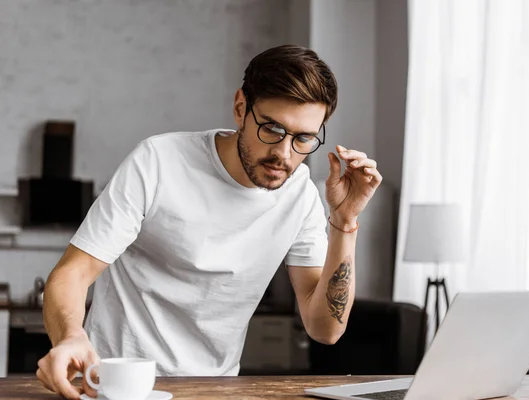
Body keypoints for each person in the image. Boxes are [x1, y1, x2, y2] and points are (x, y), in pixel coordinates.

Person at [36, 44, 382, 399]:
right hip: (116, 385)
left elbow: (325, 329)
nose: (284, 153)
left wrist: (345, 221)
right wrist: (71, 337)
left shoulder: (301, 196)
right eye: (272, 129)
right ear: (240, 108)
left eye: (303, 138)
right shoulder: (158, 162)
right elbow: (72, 273)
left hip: (215, 388)